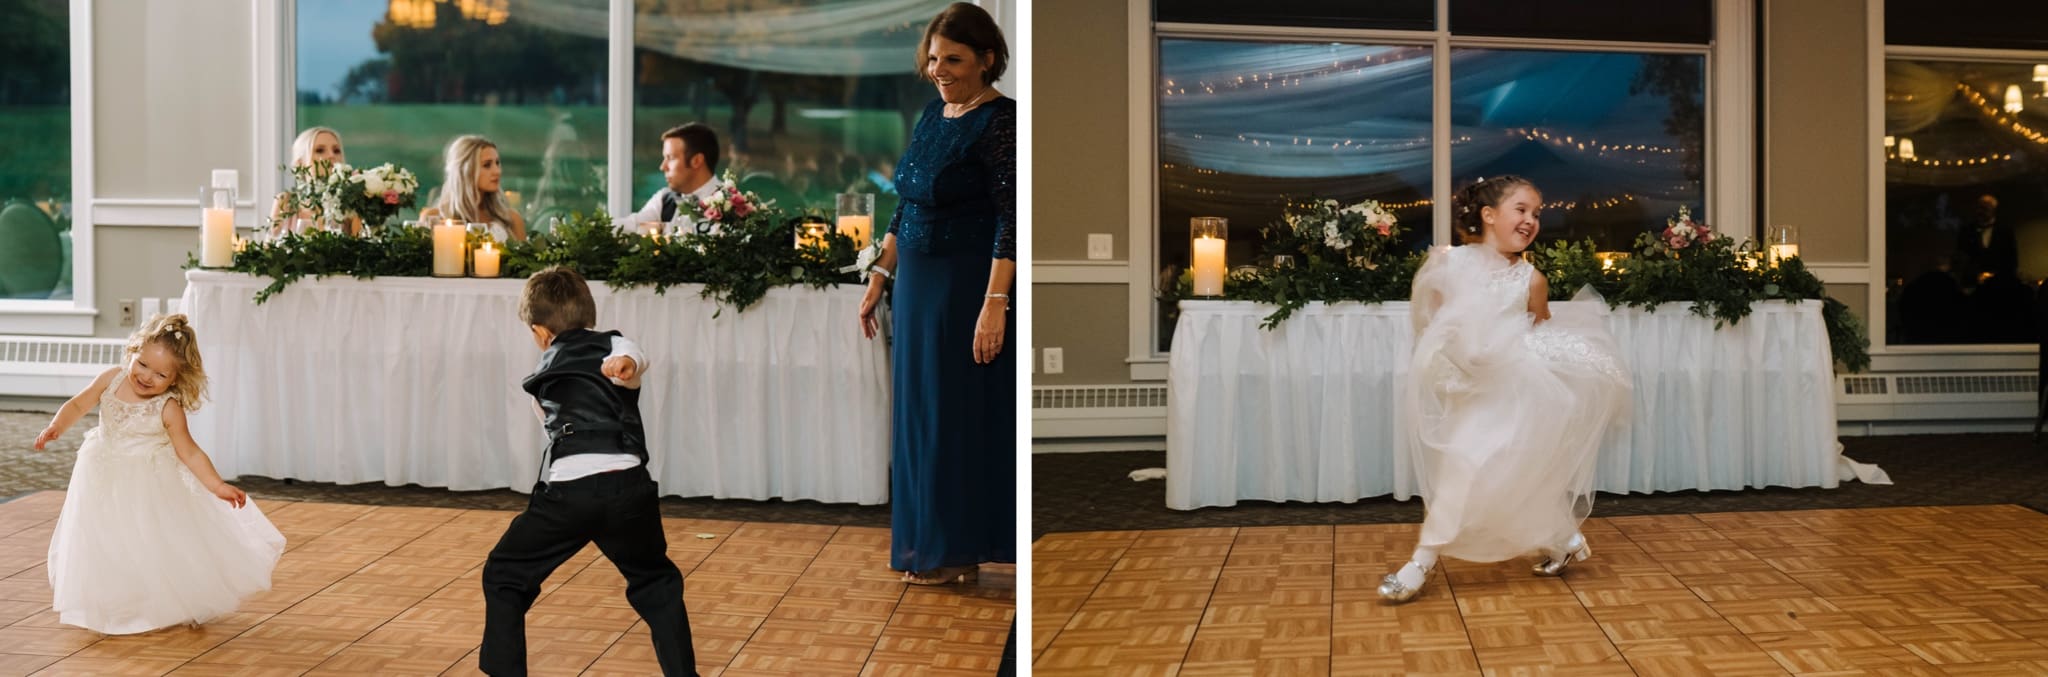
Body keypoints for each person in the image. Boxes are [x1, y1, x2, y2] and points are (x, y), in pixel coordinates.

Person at [1378, 176, 1632, 603]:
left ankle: (1421, 561)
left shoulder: (1532, 279)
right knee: (1497, 475)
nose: (1531, 220)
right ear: (1489, 215)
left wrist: (1543, 361)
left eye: (1537, 213)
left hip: (1514, 391)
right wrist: (1457, 360)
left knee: (1465, 466)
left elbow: (1538, 330)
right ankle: (1564, 540)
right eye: (1521, 209)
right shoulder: (1449, 264)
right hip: (1468, 385)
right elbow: (1434, 323)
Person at [856, 2, 1015, 586]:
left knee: (952, 417)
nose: (939, 68)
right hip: (916, 286)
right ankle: (926, 543)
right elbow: (908, 202)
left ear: (987, 59)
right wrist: (879, 275)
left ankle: (956, 548)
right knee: (918, 416)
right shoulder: (932, 114)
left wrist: (994, 303)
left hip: (964, 286)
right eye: (933, 58)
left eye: (953, 58)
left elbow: (1013, 219)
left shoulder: (1003, 122)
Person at [481, 266, 695, 676]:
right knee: (655, 582)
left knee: (505, 574)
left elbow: (629, 359)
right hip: (629, 492)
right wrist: (625, 368)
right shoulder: (613, 344)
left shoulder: (541, 382)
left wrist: (625, 366)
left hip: (569, 498)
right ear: (589, 317)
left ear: (540, 333)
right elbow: (631, 354)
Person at [32, 314, 286, 633]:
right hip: (101, 474)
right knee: (102, 537)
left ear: (175, 380)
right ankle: (111, 598)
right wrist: (56, 426)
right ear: (133, 351)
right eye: (142, 364)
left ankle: (157, 601)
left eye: (160, 374)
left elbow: (189, 451)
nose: (146, 377)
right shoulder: (111, 378)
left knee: (147, 541)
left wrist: (216, 485)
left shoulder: (168, 408)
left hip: (146, 485)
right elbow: (77, 405)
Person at [421, 135, 528, 241]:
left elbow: (524, 257)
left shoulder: (512, 219)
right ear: (465, 171)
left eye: (497, 163)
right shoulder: (434, 218)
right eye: (487, 165)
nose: (497, 171)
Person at [629, 123, 729, 236]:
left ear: (696, 161)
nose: (663, 167)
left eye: (670, 158)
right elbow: (632, 225)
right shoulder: (665, 200)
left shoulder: (732, 207)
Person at [271, 126, 364, 236]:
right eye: (320, 150)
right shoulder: (285, 202)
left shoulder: (351, 205)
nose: (331, 155)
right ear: (300, 163)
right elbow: (269, 248)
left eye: (336, 150)